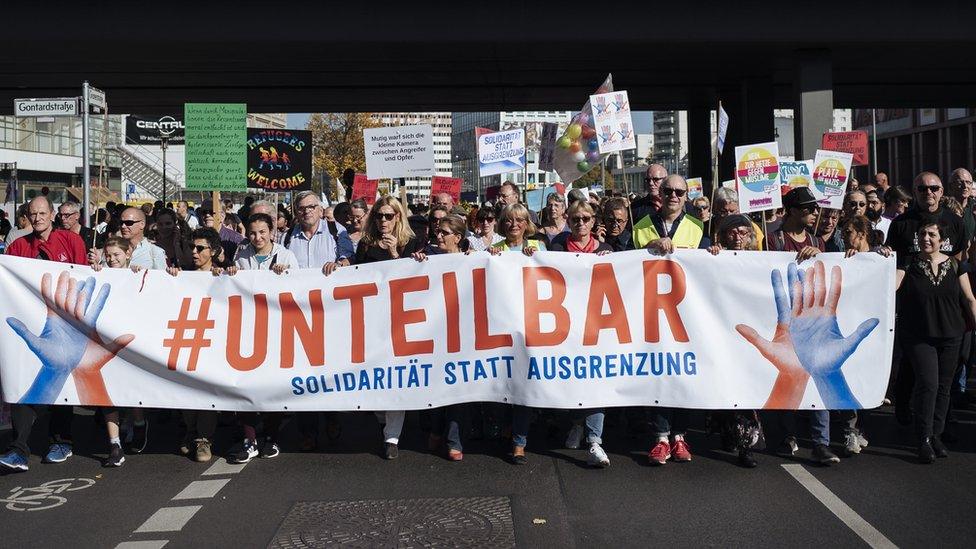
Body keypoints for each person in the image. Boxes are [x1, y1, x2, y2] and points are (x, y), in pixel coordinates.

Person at [0, 196, 88, 472]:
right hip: (27, 325)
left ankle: (61, 440)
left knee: (60, 382)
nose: (37, 218)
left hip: (64, 327)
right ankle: (19, 449)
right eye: (32, 214)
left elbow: (84, 278)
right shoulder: (18, 246)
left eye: (42, 213)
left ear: (52, 214)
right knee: (21, 381)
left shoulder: (72, 242)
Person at [767, 188, 840, 465]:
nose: (813, 214)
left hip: (813, 323)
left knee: (819, 376)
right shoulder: (773, 240)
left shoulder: (816, 240)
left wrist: (821, 254)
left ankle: (821, 443)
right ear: (793, 210)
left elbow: (839, 268)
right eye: (808, 209)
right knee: (790, 377)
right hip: (785, 322)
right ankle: (787, 436)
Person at [896, 221, 976, 463]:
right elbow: (892, 287)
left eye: (932, 234)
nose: (926, 238)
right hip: (918, 336)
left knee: (944, 387)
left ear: (942, 239)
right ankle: (923, 439)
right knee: (928, 385)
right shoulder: (909, 263)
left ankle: (936, 434)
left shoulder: (955, 265)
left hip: (952, 334)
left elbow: (970, 299)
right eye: (922, 234)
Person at [221, 213, 297, 463]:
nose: (257, 237)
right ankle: (250, 439)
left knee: (271, 387)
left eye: (262, 232)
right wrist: (231, 271)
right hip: (248, 328)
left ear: (272, 232)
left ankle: (272, 437)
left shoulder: (286, 255)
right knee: (245, 386)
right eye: (253, 233)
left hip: (277, 328)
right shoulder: (242, 255)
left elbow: (299, 287)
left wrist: (284, 274)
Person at [352, 196, 421, 459]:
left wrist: (395, 255)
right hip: (372, 319)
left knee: (395, 376)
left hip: (400, 319)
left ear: (398, 218)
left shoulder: (410, 243)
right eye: (379, 216)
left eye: (389, 216)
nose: (383, 221)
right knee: (374, 376)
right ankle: (384, 418)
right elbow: (357, 277)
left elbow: (411, 280)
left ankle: (392, 437)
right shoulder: (366, 245)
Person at [284, 190, 354, 450]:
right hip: (298, 315)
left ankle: (332, 416)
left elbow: (350, 260)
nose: (306, 212)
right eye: (301, 208)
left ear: (320, 208)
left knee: (327, 371)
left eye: (311, 207)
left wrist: (342, 263)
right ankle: (307, 431)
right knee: (303, 375)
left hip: (329, 314)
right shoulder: (288, 236)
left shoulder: (338, 233)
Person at [546, 201, 613, 467]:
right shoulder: (557, 248)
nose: (581, 224)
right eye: (575, 219)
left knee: (596, 381)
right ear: (568, 221)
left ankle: (595, 441)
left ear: (594, 221)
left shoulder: (607, 250)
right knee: (572, 380)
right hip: (568, 326)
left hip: (598, 326)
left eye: (586, 218)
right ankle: (576, 422)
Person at [707, 214, 765, 467]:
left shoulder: (760, 261)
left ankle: (746, 446)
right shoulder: (715, 257)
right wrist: (710, 256)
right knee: (724, 388)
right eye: (733, 233)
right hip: (721, 333)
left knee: (747, 391)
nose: (738, 238)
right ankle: (725, 429)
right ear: (723, 235)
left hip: (748, 335)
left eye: (744, 233)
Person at [411, 214, 471, 461]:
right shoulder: (428, 257)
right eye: (437, 232)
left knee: (460, 389)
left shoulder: (471, 259)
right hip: (436, 332)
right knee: (438, 386)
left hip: (465, 333)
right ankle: (436, 427)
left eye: (444, 233)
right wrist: (416, 263)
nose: (439, 236)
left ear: (457, 237)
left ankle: (453, 440)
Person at [166, 227, 225, 462]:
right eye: (192, 247)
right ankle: (190, 431)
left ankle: (204, 439)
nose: (195, 252)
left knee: (207, 391)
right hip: (189, 337)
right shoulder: (183, 275)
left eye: (200, 248)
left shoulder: (223, 276)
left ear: (214, 252)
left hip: (214, 339)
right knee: (188, 389)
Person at [90, 237, 144, 467]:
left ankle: (139, 424)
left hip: (132, 343)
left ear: (128, 254)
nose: (112, 260)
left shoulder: (136, 275)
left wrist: (137, 275)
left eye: (117, 255)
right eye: (109, 255)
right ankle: (115, 444)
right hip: (104, 343)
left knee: (132, 390)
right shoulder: (101, 273)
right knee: (107, 393)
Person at [633, 174, 710, 253]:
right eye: (668, 191)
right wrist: (651, 245)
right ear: (660, 193)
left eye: (679, 192)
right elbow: (629, 259)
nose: (673, 195)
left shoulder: (698, 227)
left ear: (686, 195)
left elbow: (704, 260)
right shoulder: (639, 227)